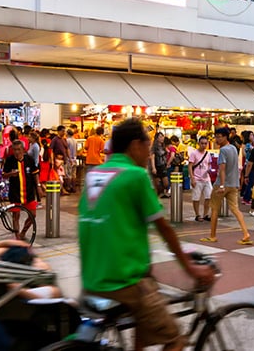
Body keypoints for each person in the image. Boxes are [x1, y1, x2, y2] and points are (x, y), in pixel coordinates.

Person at [77, 119, 214, 351]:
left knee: (143, 329)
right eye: (146, 145)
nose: (148, 151)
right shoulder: (135, 176)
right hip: (126, 282)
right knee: (175, 340)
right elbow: (164, 228)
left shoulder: (94, 175)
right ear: (134, 145)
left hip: (91, 280)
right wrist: (190, 268)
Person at [203, 127, 253, 246]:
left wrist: (221, 185)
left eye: (219, 136)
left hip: (222, 184)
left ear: (225, 137)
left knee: (214, 209)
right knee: (235, 209)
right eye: (216, 136)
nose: (217, 139)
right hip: (233, 184)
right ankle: (245, 233)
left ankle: (213, 236)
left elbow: (222, 169)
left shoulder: (224, 151)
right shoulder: (234, 149)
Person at [2, 139, 39, 240]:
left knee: (33, 215)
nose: (16, 152)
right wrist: (11, 174)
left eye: (18, 149)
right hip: (15, 193)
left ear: (23, 150)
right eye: (14, 150)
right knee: (16, 216)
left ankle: (23, 232)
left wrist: (39, 186)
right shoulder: (9, 160)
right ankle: (17, 237)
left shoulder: (29, 160)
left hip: (29, 192)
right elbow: (3, 175)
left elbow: (35, 173)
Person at [187, 138, 216, 222]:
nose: (203, 145)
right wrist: (192, 178)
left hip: (206, 178)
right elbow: (190, 166)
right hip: (197, 178)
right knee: (196, 197)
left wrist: (209, 170)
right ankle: (197, 214)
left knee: (209, 196)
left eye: (205, 143)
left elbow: (209, 164)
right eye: (202, 143)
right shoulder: (194, 153)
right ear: (198, 143)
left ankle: (205, 214)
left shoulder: (207, 154)